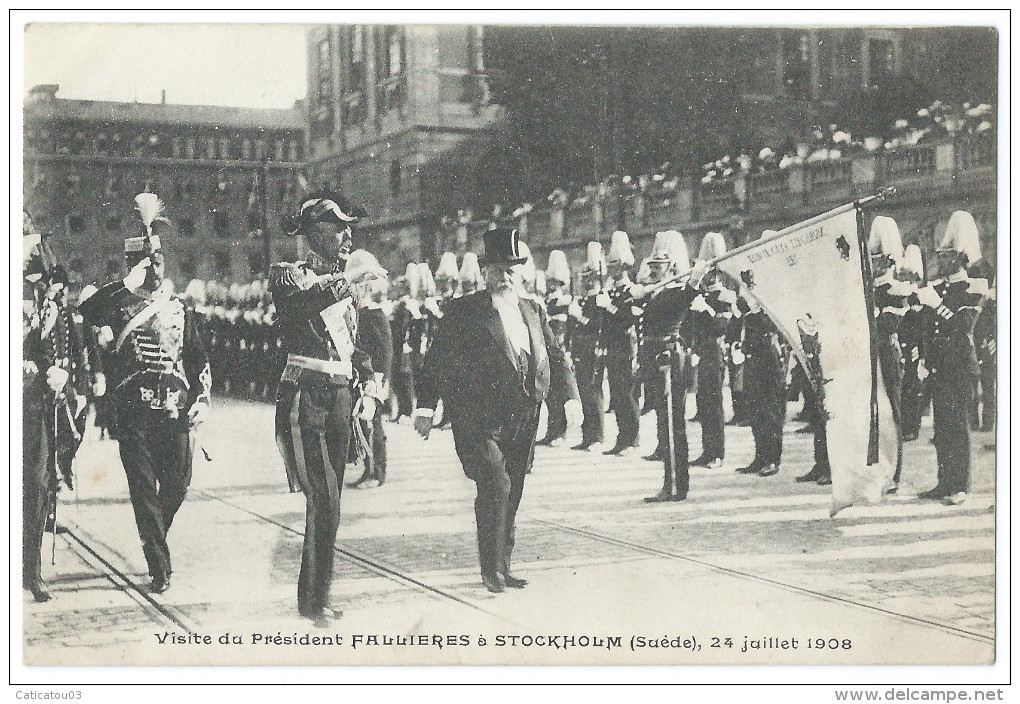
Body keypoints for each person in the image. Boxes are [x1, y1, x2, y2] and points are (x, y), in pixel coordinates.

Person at [414, 228, 581, 593]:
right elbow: (436, 361)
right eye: (497, 269)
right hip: (479, 418)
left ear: (520, 272)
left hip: (525, 415)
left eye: (511, 269)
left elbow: (554, 355)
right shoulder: (464, 311)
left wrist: (569, 398)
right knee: (496, 484)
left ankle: (504, 565)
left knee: (514, 489)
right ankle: (490, 570)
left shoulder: (532, 309)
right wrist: (426, 407)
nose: (504, 276)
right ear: (485, 271)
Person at [77, 194, 211, 595]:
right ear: (134, 266)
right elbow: (87, 314)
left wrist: (202, 398)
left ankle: (154, 539)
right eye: (147, 264)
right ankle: (159, 563)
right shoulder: (117, 306)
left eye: (158, 263)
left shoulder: (178, 308)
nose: (155, 270)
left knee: (178, 485)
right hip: (133, 413)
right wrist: (123, 285)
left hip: (175, 409)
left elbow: (198, 358)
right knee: (143, 489)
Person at [270, 191, 375, 620]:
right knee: (325, 498)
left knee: (330, 504)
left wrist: (368, 382)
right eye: (338, 228)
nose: (347, 236)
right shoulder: (287, 276)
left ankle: (315, 597)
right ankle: (315, 599)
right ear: (315, 233)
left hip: (339, 400)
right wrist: (342, 283)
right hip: (304, 399)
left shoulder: (343, 285)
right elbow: (300, 307)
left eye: (349, 228)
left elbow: (353, 345)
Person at [628, 230, 706, 502]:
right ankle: (671, 481)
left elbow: (689, 293)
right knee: (665, 424)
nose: (654, 270)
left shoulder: (675, 291)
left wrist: (695, 278)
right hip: (654, 357)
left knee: (673, 425)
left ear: (671, 266)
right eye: (652, 265)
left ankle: (675, 485)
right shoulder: (656, 291)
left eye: (659, 266)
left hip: (668, 359)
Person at [915, 211, 986, 505]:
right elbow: (930, 328)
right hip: (941, 366)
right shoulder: (942, 287)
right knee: (941, 429)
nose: (940, 261)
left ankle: (960, 486)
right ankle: (944, 482)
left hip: (959, 365)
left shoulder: (973, 286)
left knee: (957, 427)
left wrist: (938, 304)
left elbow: (961, 326)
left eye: (945, 256)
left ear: (958, 258)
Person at [346, 251, 394, 488]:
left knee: (374, 424)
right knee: (364, 424)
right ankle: (369, 469)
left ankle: (378, 472)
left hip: (374, 378)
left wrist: (377, 382)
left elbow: (384, 353)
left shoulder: (375, 315)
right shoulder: (359, 314)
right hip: (361, 378)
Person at [868, 216, 909, 493]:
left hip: (888, 355)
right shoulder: (870, 289)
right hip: (872, 357)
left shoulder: (896, 289)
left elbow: (891, 324)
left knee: (892, 415)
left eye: (877, 259)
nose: (872, 263)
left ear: (888, 261)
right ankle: (876, 469)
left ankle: (894, 472)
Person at [689, 232, 732, 469]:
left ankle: (717, 453)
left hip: (716, 352)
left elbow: (721, 326)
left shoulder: (724, 296)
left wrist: (705, 309)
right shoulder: (702, 296)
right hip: (702, 353)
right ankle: (707, 450)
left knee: (714, 403)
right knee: (703, 403)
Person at [600, 231, 641, 456]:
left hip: (626, 347)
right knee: (616, 395)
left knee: (627, 394)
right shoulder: (612, 290)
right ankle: (621, 437)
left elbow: (627, 320)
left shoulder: (630, 290)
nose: (611, 269)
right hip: (613, 347)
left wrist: (609, 307)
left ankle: (631, 438)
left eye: (614, 266)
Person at [567, 242, 608, 452]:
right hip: (581, 351)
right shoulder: (584, 300)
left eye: (586, 278)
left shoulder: (598, 300)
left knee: (593, 393)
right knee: (584, 393)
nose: (583, 281)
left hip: (593, 350)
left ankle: (597, 437)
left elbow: (595, 326)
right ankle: (587, 435)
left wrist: (578, 316)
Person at [537, 250, 573, 447]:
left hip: (560, 349)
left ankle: (560, 432)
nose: (551, 285)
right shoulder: (548, 302)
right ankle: (552, 430)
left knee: (559, 392)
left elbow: (562, 330)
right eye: (550, 282)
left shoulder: (564, 301)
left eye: (554, 282)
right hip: (549, 351)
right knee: (550, 394)